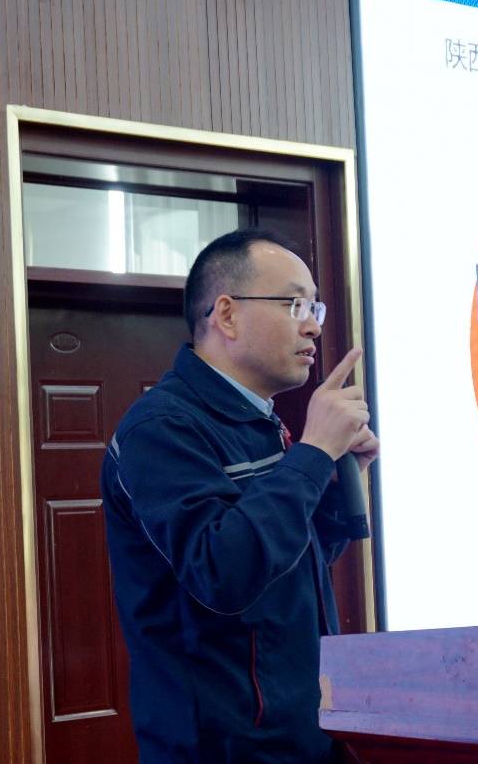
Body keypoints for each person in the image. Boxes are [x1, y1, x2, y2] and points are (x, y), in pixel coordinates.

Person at [101, 227, 379, 763]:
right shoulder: (161, 430)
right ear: (226, 315)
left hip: (305, 737)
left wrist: (331, 485)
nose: (313, 326)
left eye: (315, 308)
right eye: (295, 304)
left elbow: (283, 572)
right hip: (222, 749)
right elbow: (223, 572)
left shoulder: (259, 420)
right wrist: (314, 454)